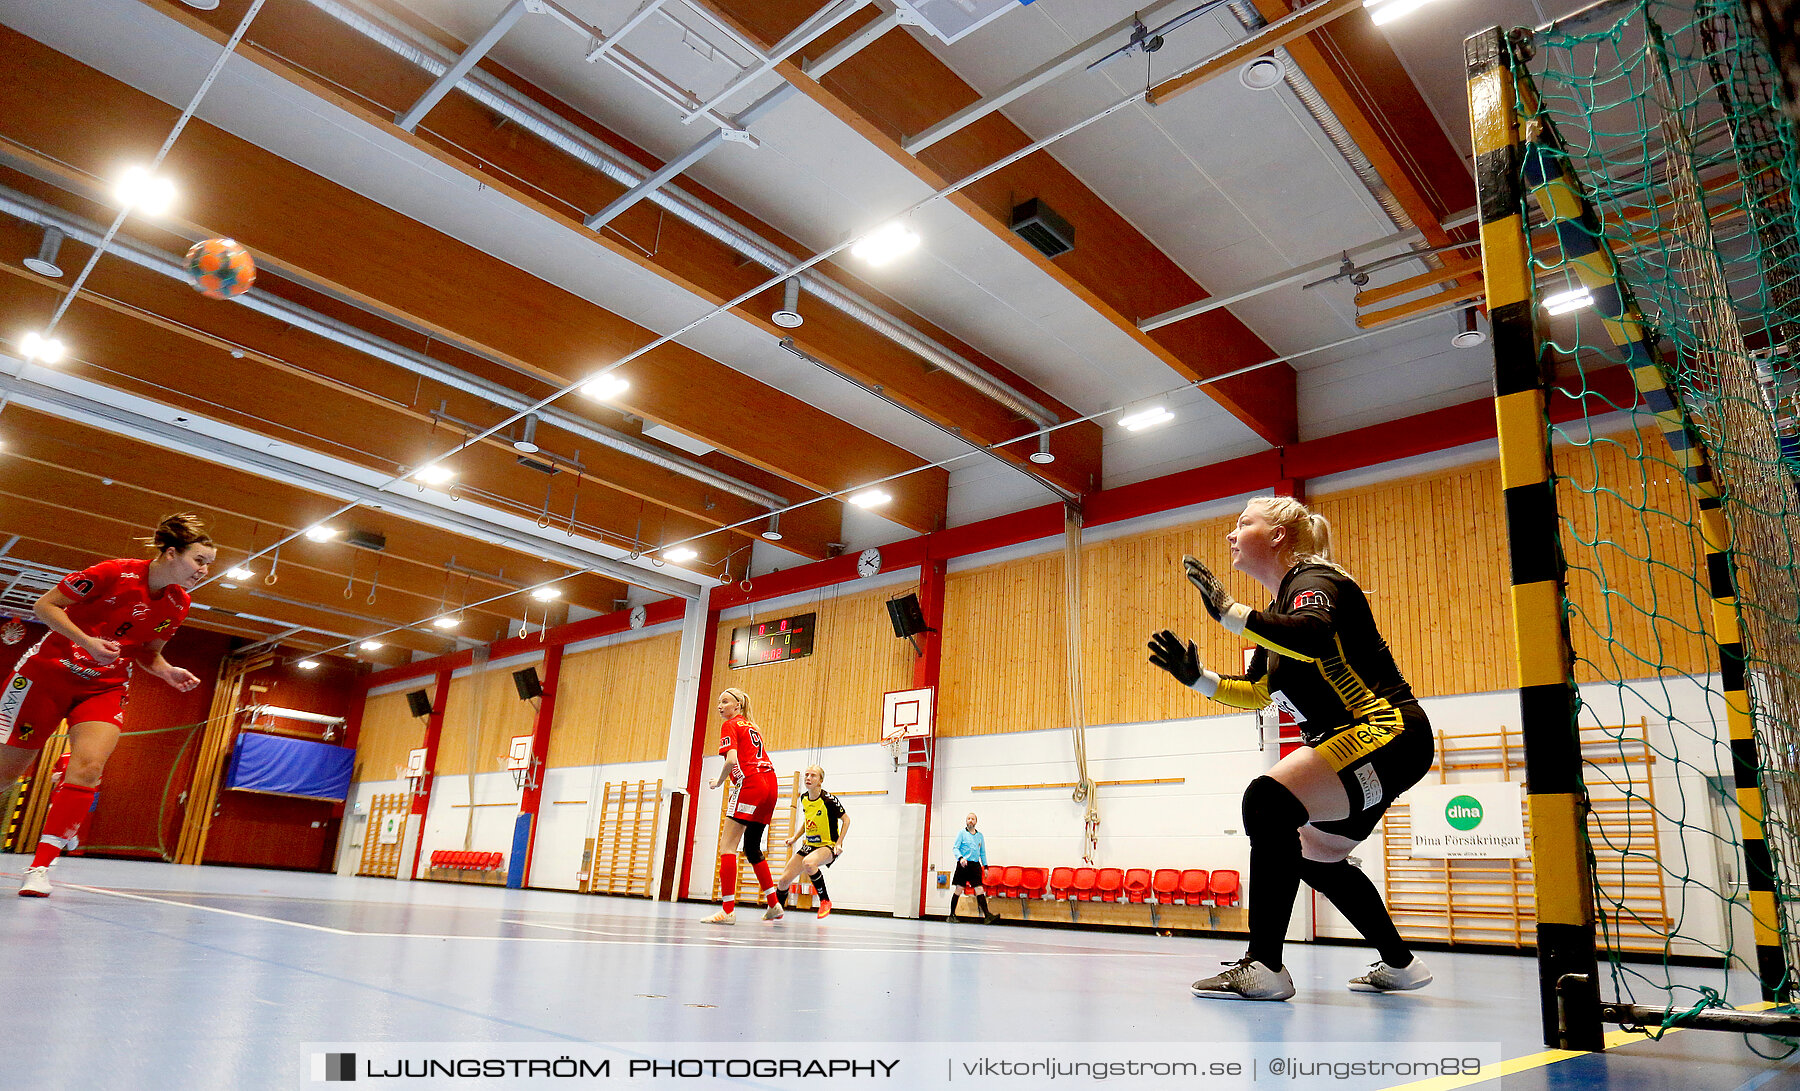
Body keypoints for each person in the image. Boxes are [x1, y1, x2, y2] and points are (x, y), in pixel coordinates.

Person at [1147, 495, 1435, 1000]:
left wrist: (1229, 612)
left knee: (1267, 801)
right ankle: (1400, 964)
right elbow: (1259, 691)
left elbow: (1316, 637)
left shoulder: (1315, 581)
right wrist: (1198, 679)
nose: (1231, 535)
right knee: (1314, 857)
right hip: (1368, 745)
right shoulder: (1279, 616)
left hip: (1387, 729)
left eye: (1244, 523)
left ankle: (1265, 966)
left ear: (1277, 535)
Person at [1, 514, 214, 897]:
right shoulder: (113, 572)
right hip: (44, 677)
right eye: (199, 560)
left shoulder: (178, 605)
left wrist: (166, 672)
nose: (203, 570)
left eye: (208, 565)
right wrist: (85, 641)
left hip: (104, 686)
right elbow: (44, 606)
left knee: (89, 767)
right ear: (170, 553)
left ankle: (39, 868)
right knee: (6, 773)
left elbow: (149, 654)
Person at [702, 687, 783, 924]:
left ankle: (727, 911)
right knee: (752, 847)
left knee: (727, 846)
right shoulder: (752, 726)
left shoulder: (730, 725)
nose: (720, 706)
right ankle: (773, 904)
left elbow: (732, 760)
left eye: (725, 702)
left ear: (737, 706)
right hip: (771, 783)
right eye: (718, 702)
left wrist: (718, 782)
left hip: (751, 783)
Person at [775, 764, 848, 918]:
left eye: (813, 775)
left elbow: (846, 820)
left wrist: (839, 843)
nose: (808, 778)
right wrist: (794, 838)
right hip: (809, 846)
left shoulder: (829, 800)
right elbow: (808, 820)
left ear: (820, 781)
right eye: (807, 775)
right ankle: (778, 910)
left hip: (827, 846)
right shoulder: (804, 798)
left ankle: (825, 901)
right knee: (782, 881)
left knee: (809, 863)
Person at [948, 812, 998, 924]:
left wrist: (985, 866)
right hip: (963, 865)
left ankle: (987, 916)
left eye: (973, 819)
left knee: (979, 889)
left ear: (976, 822)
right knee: (959, 889)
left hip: (975, 865)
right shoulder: (961, 833)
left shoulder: (980, 836)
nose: (970, 820)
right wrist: (960, 858)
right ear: (966, 821)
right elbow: (955, 848)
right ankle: (951, 915)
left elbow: (982, 852)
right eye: (968, 818)